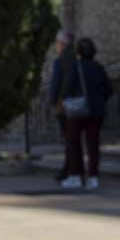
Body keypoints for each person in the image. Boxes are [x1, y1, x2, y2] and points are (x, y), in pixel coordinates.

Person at [58, 37, 113, 190]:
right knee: (93, 144)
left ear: (78, 52)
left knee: (73, 143)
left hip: (78, 110)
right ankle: (93, 177)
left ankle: (75, 175)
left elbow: (67, 87)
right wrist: (99, 101)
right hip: (96, 112)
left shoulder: (76, 67)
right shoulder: (98, 67)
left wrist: (65, 100)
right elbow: (109, 89)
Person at [48, 29, 76, 182]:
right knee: (74, 140)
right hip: (80, 106)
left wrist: (53, 101)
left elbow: (56, 84)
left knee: (69, 140)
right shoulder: (77, 58)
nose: (56, 46)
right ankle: (71, 170)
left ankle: (69, 171)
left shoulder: (60, 61)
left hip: (64, 106)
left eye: (57, 43)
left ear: (62, 43)